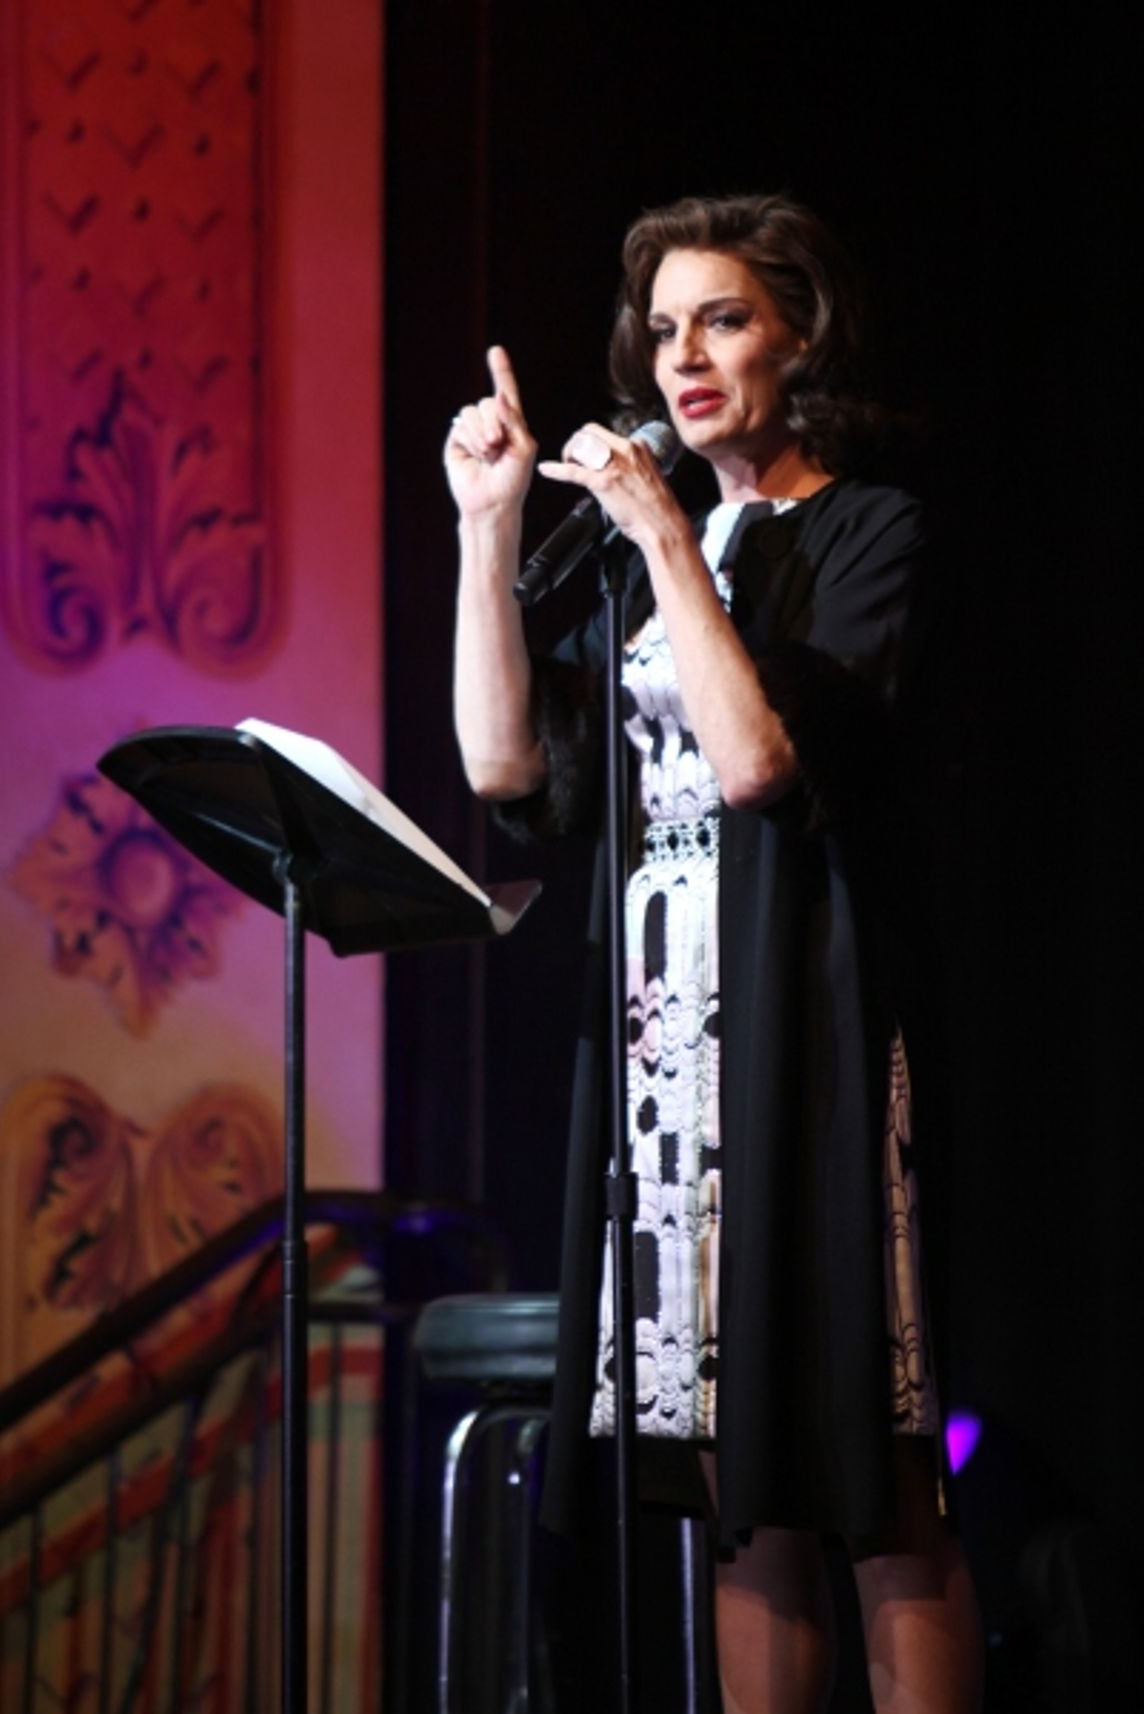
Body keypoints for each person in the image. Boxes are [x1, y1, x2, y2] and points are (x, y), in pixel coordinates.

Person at [447, 193, 983, 1714]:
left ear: (799, 339)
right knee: (739, 1483)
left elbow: (755, 763)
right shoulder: (637, 562)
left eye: (725, 320)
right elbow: (504, 765)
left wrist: (671, 535)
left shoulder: (868, 531)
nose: (683, 356)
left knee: (872, 1479)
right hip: (664, 1056)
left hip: (811, 1039)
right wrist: (489, 531)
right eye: (665, 328)